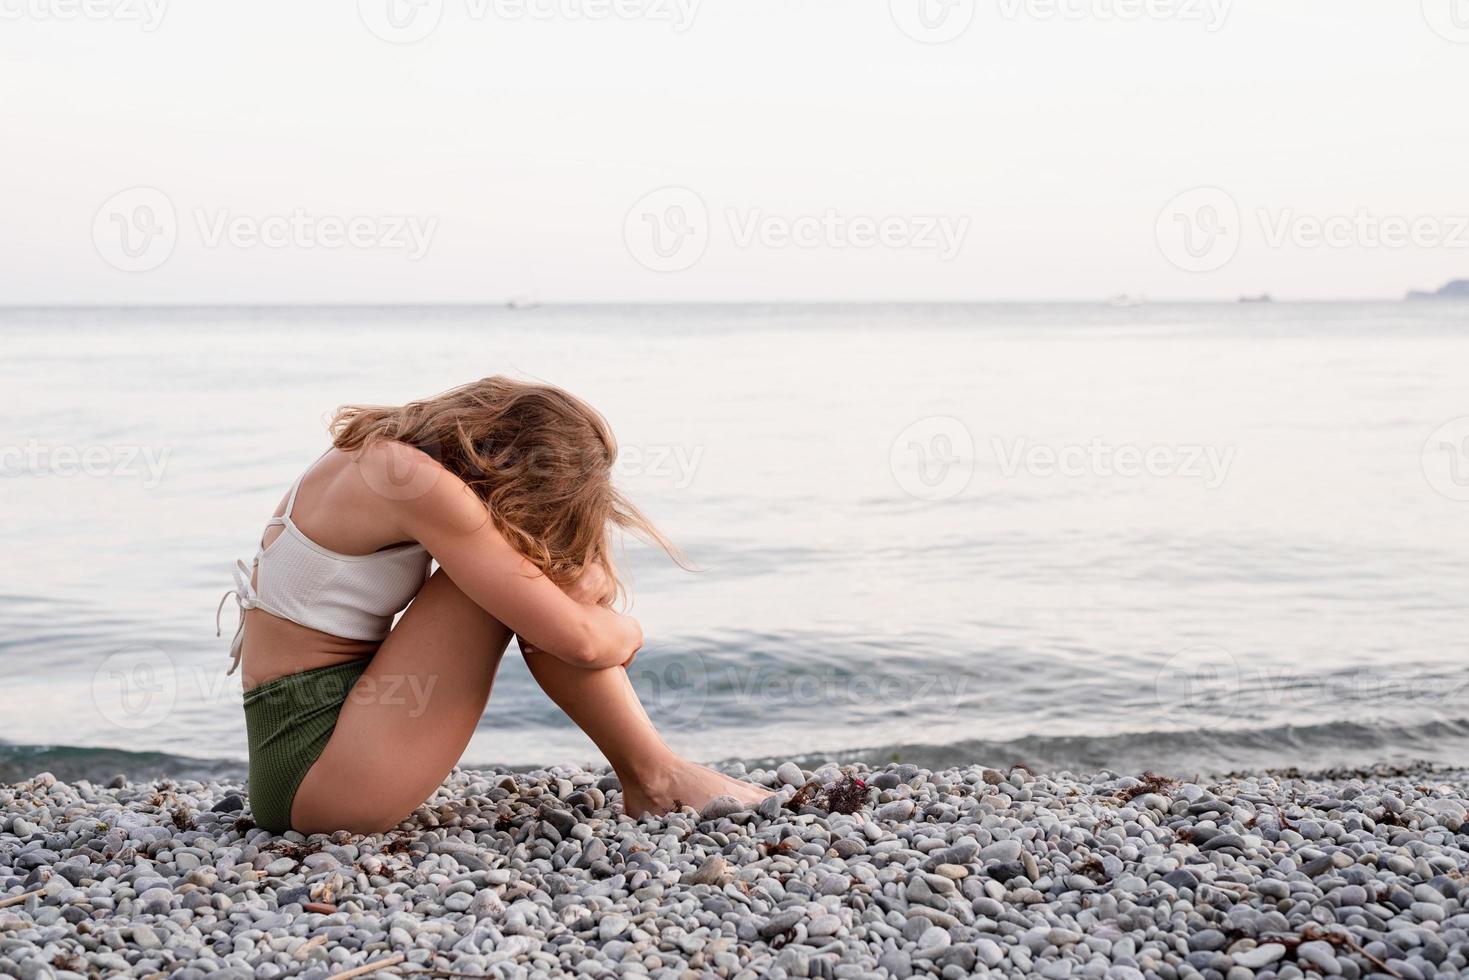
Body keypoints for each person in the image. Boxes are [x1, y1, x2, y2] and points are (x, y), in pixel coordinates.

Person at [217, 377, 769, 833]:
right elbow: (576, 639)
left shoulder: (374, 455)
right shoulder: (415, 483)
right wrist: (628, 631)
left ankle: (656, 774)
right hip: (324, 781)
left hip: (309, 759)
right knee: (528, 584)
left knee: (527, 576)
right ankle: (656, 778)